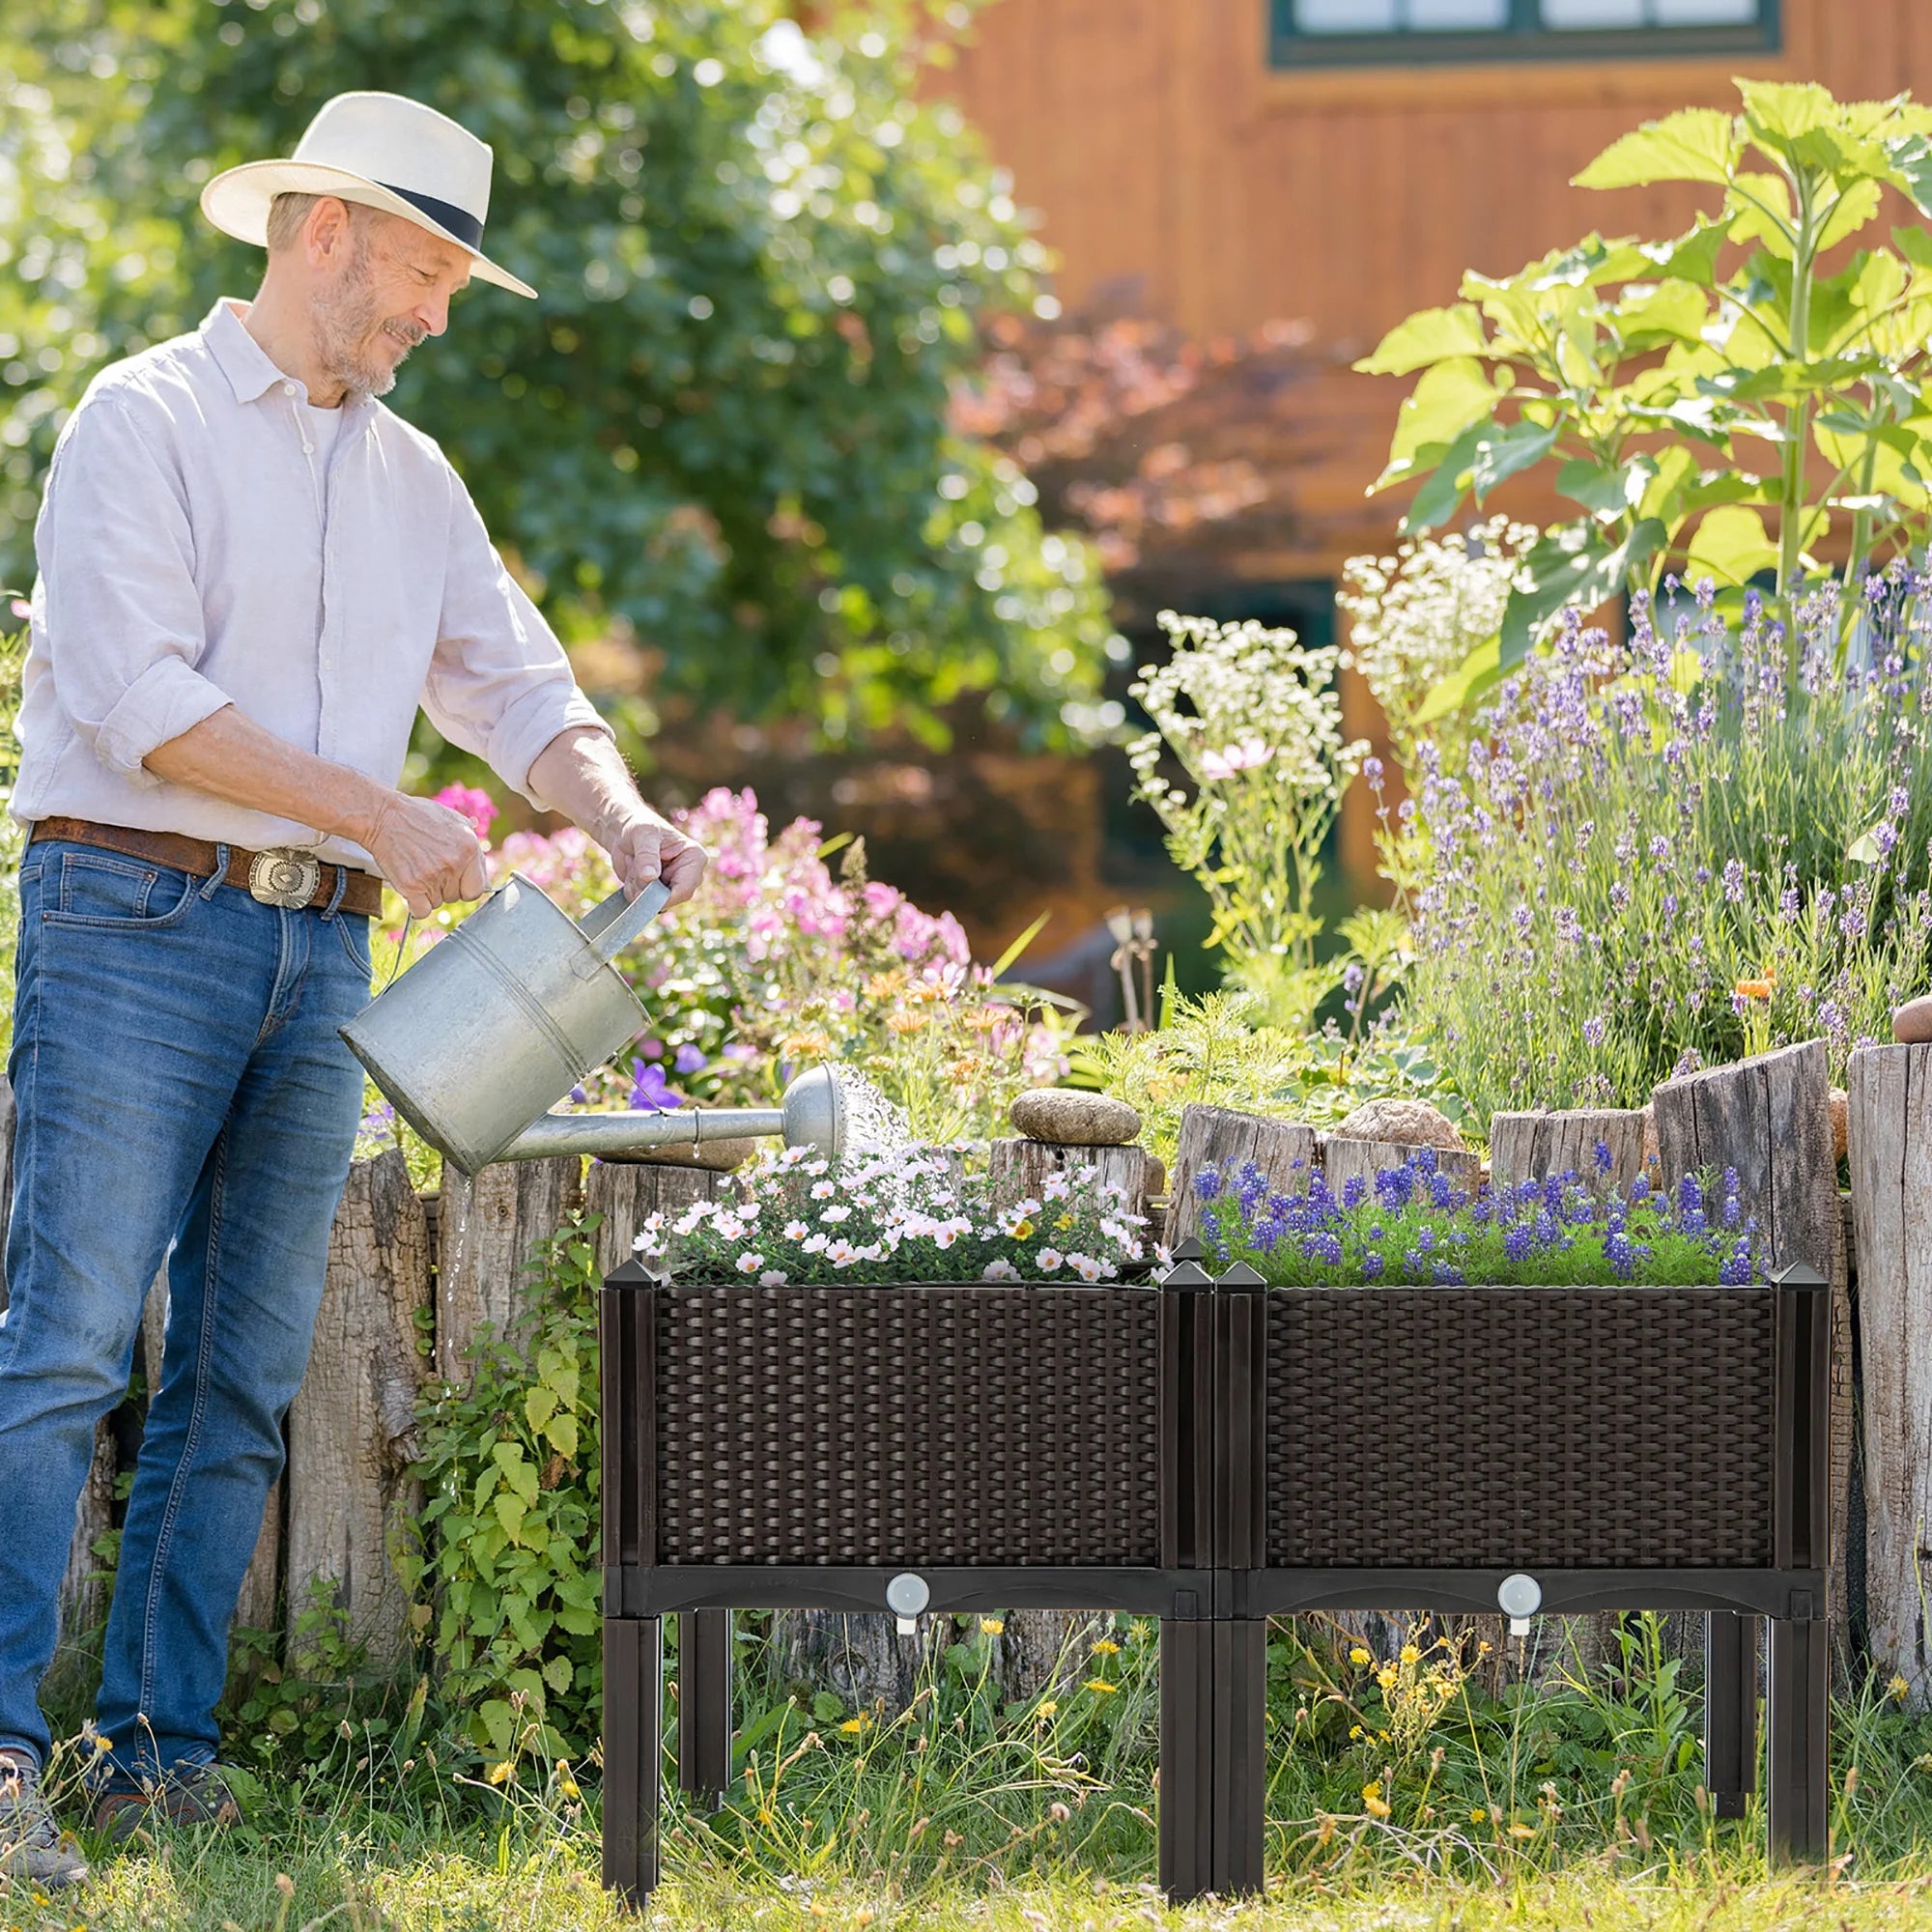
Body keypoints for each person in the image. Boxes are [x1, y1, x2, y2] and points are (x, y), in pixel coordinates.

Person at [0, 91, 706, 1888]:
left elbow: (525, 692)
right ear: (325, 236)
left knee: (239, 1373)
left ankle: (150, 1759)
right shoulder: (137, 422)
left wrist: (619, 818)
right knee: (67, 1348)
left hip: (317, 951)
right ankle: (1, 1763)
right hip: (130, 917)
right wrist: (386, 816)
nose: (438, 315)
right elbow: (137, 701)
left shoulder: (413, 476)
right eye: (425, 273)